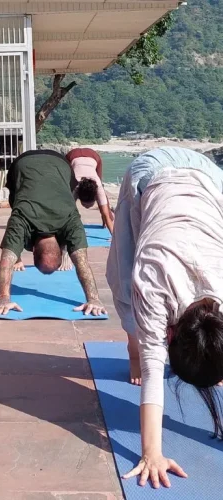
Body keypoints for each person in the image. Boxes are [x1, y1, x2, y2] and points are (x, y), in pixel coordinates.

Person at [106, 146, 223, 489]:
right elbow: (155, 369)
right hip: (152, 173)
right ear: (170, 336)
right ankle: (130, 349)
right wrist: (151, 453)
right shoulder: (152, 283)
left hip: (210, 179)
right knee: (121, 277)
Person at [0, 149, 107, 317]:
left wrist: (5, 299)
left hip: (56, 163)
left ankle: (17, 253)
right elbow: (82, 262)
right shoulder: (67, 220)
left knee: (19, 206)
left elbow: (6, 262)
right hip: (28, 164)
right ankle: (17, 252)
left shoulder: (66, 220)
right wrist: (93, 299)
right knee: (18, 203)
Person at [66, 148, 114, 235]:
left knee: (102, 195)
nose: (87, 208)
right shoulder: (74, 186)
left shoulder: (98, 186)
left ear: (95, 196)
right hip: (73, 156)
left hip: (93, 157)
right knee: (67, 197)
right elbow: (68, 211)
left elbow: (106, 214)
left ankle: (104, 224)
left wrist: (114, 237)